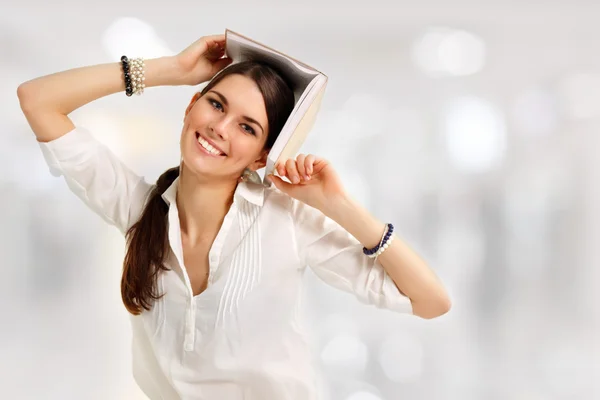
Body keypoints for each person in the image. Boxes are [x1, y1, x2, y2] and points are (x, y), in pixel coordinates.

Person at [17, 34, 451, 400]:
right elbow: (37, 100)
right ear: (191, 106)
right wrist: (168, 69)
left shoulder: (286, 221)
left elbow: (431, 301)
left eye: (248, 127)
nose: (220, 128)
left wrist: (339, 205)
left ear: (263, 154)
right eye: (216, 105)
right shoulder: (136, 207)